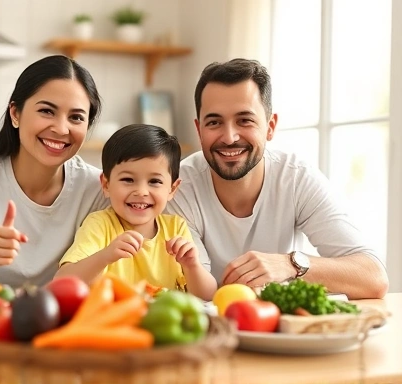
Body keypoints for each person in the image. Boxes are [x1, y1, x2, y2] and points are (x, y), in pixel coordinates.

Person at [166, 58, 389, 299]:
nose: (229, 137)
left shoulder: (295, 177)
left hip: (278, 327)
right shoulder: (176, 187)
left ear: (270, 126)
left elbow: (373, 277)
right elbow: (195, 293)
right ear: (199, 130)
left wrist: (290, 264)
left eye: (245, 120)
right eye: (215, 122)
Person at [0, 55, 108, 288]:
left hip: (55, 323)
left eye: (76, 117)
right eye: (47, 111)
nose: (60, 128)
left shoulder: (96, 188)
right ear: (15, 114)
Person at [56, 124, 217, 301]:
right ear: (106, 184)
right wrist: (105, 256)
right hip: (115, 323)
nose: (141, 191)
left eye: (154, 181)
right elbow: (62, 282)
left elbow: (208, 296)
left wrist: (192, 265)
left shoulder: (176, 227)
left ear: (172, 189)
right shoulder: (99, 225)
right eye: (128, 179)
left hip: (164, 324)